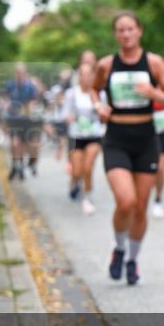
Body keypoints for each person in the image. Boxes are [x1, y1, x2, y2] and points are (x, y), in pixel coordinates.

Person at [92, 11, 164, 285]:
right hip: (116, 138)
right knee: (126, 201)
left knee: (140, 208)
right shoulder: (106, 65)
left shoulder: (153, 63)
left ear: (139, 31)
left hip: (146, 139)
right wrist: (99, 106)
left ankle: (132, 259)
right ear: (115, 34)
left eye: (130, 29)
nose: (126, 34)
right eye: (120, 30)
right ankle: (118, 249)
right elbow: (94, 90)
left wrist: (156, 94)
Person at [63, 63, 105, 215]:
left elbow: (105, 113)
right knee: (77, 170)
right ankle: (75, 182)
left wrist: (101, 112)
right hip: (76, 136)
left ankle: (87, 197)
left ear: (94, 76)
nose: (86, 77)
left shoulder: (100, 94)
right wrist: (69, 117)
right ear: (78, 76)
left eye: (89, 74)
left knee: (88, 167)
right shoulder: (71, 94)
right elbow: (65, 113)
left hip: (94, 136)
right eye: (82, 74)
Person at [3, 63, 43, 181]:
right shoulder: (10, 85)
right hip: (13, 119)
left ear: (25, 73)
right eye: (18, 72)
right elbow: (6, 100)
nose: (20, 75)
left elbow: (33, 101)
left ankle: (26, 164)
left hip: (26, 120)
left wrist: (27, 109)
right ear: (15, 73)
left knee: (26, 145)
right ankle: (16, 166)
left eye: (22, 72)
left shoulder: (30, 86)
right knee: (15, 144)